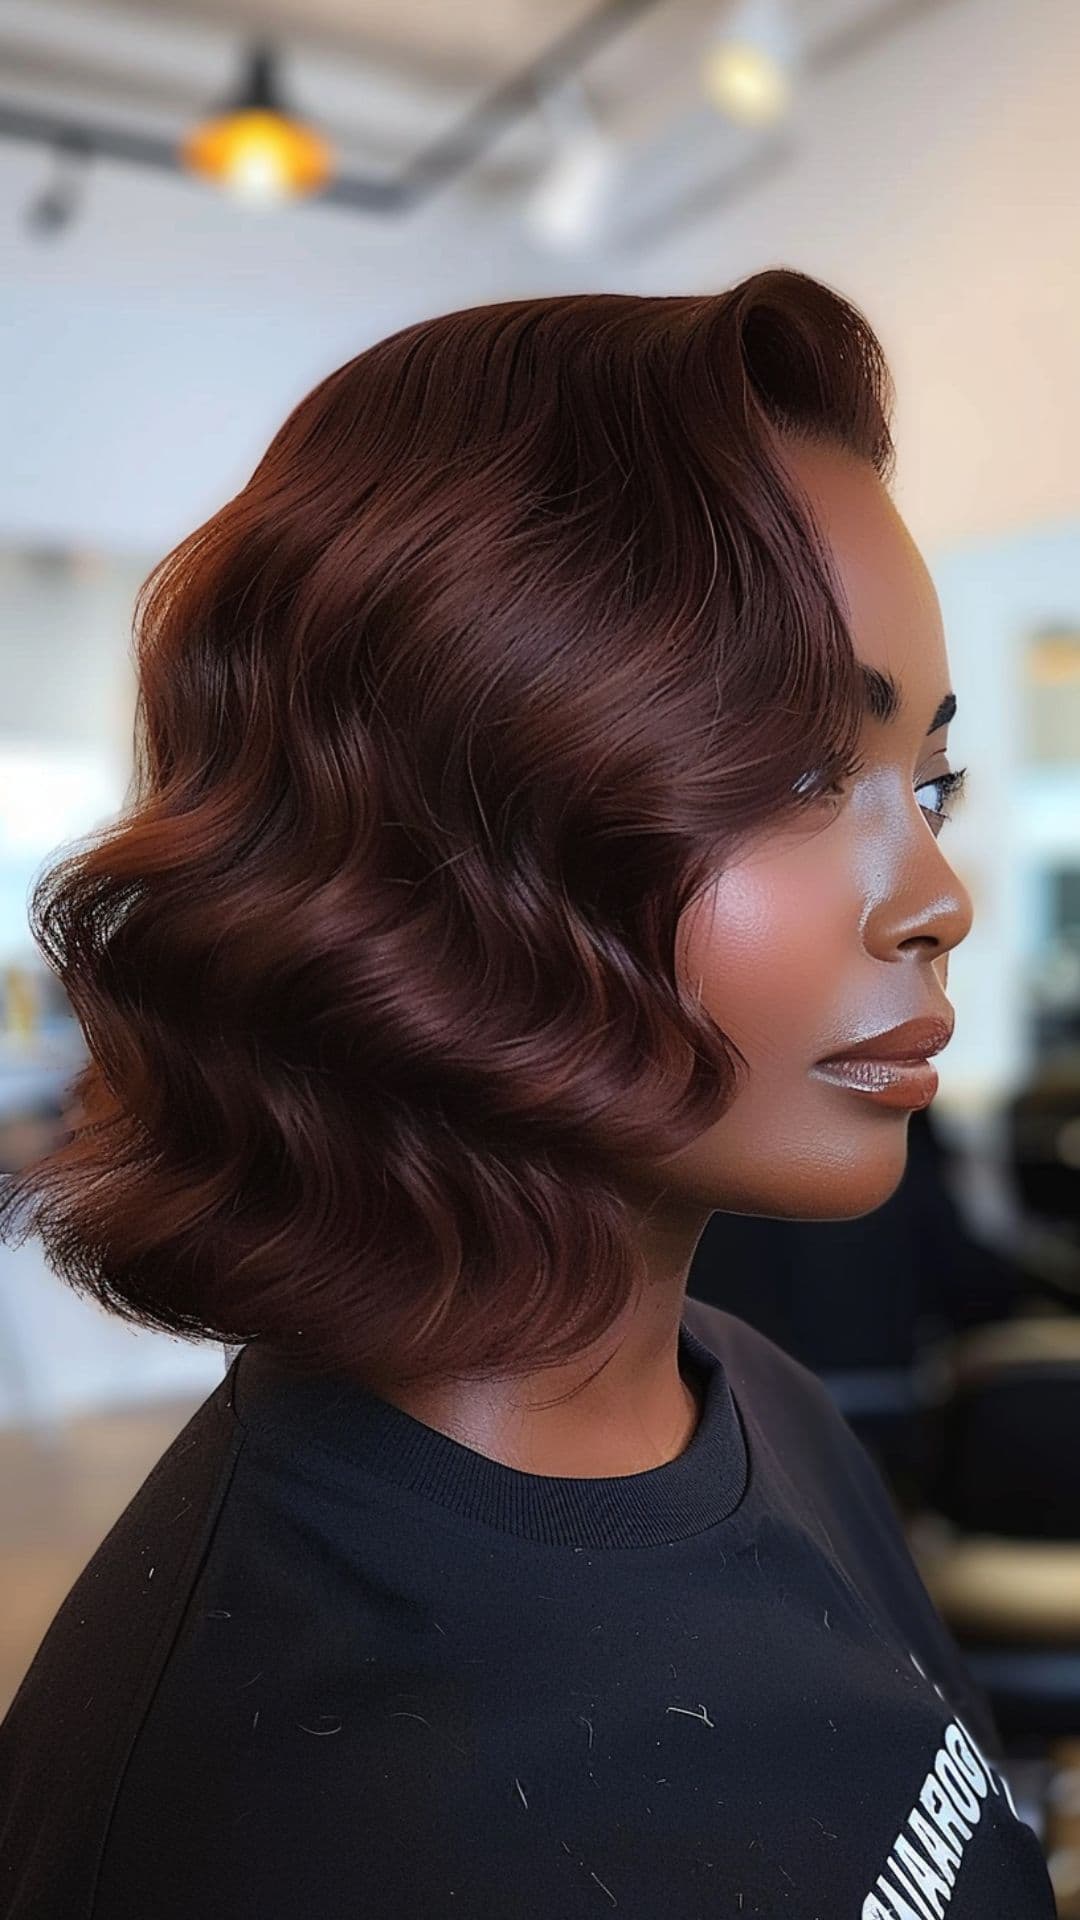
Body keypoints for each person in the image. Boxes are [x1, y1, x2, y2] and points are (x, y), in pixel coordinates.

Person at [0, 273, 1058, 1917]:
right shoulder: (291, 1816)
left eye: (928, 779)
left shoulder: (754, 1398)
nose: (939, 896)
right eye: (791, 769)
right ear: (436, 833)